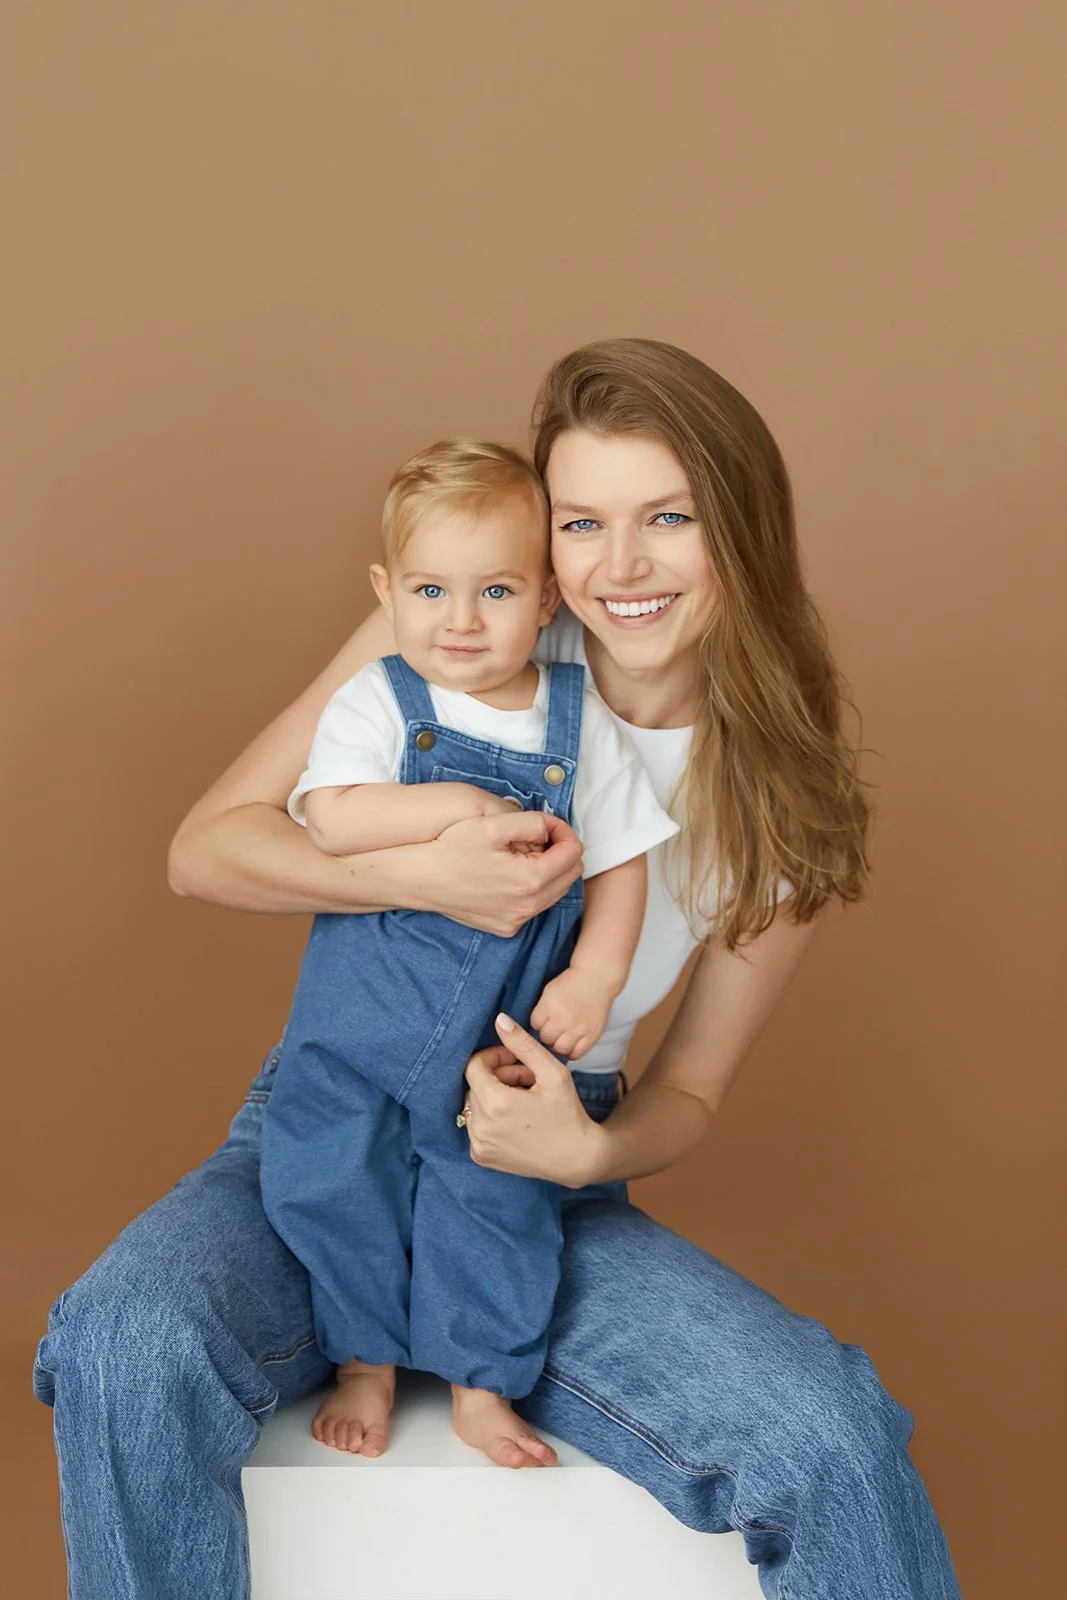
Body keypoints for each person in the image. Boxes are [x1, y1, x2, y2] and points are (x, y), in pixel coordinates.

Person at [32, 338, 961, 1598]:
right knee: (123, 1337)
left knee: (826, 1433)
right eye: (581, 523)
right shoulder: (469, 615)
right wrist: (418, 874)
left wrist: (584, 1153)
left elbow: (684, 1093)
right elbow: (209, 850)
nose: (616, 568)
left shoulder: (785, 804)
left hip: (537, 1166)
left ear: (740, 527)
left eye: (668, 518)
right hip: (329, 1124)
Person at [259, 437, 679, 1454]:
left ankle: (476, 1381)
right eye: (430, 590)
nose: (458, 619)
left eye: (494, 590)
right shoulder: (378, 700)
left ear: (545, 602)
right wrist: (447, 804)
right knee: (330, 1179)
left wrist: (595, 974)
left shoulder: (580, 725)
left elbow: (621, 863)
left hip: (501, 1035)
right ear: (385, 590)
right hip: (358, 1027)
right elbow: (332, 818)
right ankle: (362, 1356)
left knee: (491, 1201)